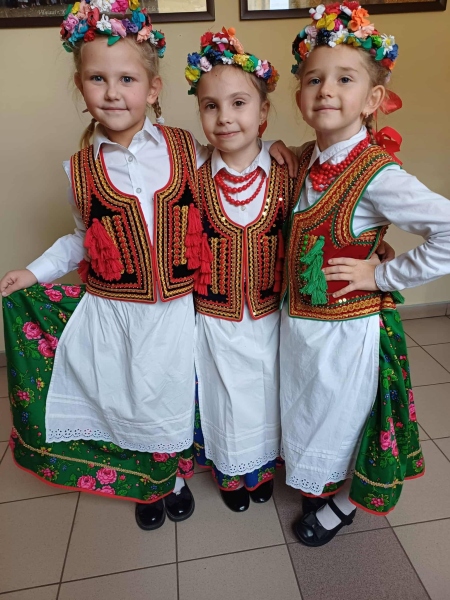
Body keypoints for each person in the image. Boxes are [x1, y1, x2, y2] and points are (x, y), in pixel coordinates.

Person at [1, 0, 207, 532]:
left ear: (153, 89)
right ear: (81, 85)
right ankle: (146, 482)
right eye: (98, 78)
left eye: (127, 79)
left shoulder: (186, 149)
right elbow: (80, 238)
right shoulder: (79, 169)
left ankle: (172, 476)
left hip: (175, 312)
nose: (113, 92)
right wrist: (34, 273)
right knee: (127, 401)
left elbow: (237, 167)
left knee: (170, 397)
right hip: (115, 314)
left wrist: (279, 151)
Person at [280, 2, 450, 546]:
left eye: (345, 79)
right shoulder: (305, 159)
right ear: (299, 96)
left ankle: (344, 503)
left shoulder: (378, 175)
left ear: (373, 99)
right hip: (302, 326)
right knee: (310, 410)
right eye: (313, 79)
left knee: (346, 417)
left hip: (346, 334)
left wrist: (382, 277)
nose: (326, 90)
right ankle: (317, 478)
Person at [184, 27, 304, 513]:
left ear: (263, 112)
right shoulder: (190, 173)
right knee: (223, 398)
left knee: (266, 393)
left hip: (271, 316)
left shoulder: (288, 170)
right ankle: (230, 472)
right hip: (213, 319)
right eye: (211, 106)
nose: (225, 117)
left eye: (239, 103)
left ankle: (262, 468)